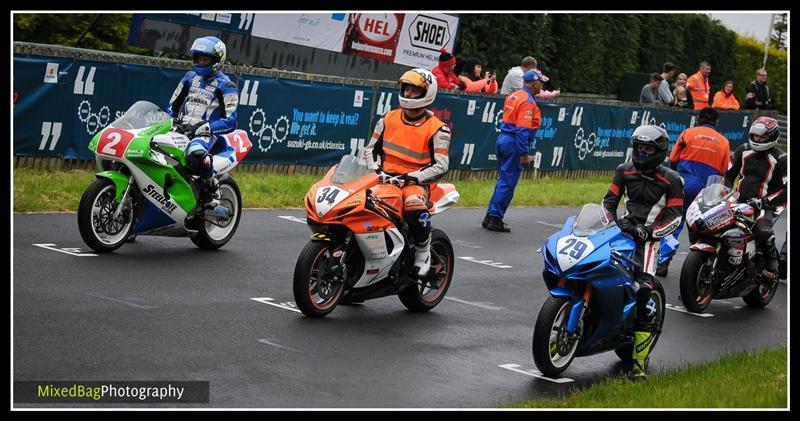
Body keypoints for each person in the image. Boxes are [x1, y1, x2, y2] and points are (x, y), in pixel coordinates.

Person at [602, 125, 684, 379]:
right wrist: (613, 224)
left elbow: (675, 218)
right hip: (621, 233)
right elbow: (608, 203)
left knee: (644, 293)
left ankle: (639, 363)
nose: (642, 151)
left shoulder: (672, 180)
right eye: (639, 147)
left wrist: (649, 232)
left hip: (649, 243)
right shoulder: (623, 171)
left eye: (648, 147)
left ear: (659, 151)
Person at [364, 68, 451, 277]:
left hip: (415, 184)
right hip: (383, 178)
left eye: (415, 90)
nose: (409, 94)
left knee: (413, 206)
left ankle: (423, 251)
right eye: (407, 89)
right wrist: (374, 168)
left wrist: (415, 176)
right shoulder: (388, 118)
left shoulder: (438, 128)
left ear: (427, 94)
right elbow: (369, 149)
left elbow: (441, 166)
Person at [168, 36, 239, 209]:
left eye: (205, 59)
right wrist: (172, 119)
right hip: (181, 129)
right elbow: (172, 105)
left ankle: (212, 186)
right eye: (199, 58)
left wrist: (206, 127)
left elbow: (231, 121)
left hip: (206, 134)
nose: (201, 62)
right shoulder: (189, 77)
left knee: (195, 153)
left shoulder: (227, 85)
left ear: (217, 60)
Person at [660, 107, 730, 276]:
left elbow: (674, 159)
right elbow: (722, 172)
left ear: (699, 119)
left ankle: (662, 262)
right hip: (706, 189)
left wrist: (677, 177)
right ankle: (697, 269)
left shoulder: (688, 133)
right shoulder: (724, 142)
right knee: (702, 229)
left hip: (683, 182)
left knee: (674, 222)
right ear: (716, 122)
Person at [483, 69, 545, 232]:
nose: (542, 86)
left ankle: (489, 216)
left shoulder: (514, 95)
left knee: (502, 180)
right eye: (541, 82)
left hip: (503, 139)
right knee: (508, 182)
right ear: (535, 83)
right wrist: (524, 154)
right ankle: (495, 218)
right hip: (513, 144)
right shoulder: (528, 102)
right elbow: (522, 130)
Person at [725, 116, 787, 280]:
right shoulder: (743, 150)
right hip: (738, 201)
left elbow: (787, 189)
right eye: (755, 135)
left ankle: (772, 268)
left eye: (763, 136)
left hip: (765, 205)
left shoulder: (781, 158)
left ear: (773, 136)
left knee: (763, 232)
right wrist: (725, 191)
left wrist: (767, 202)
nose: (758, 139)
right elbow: (729, 175)